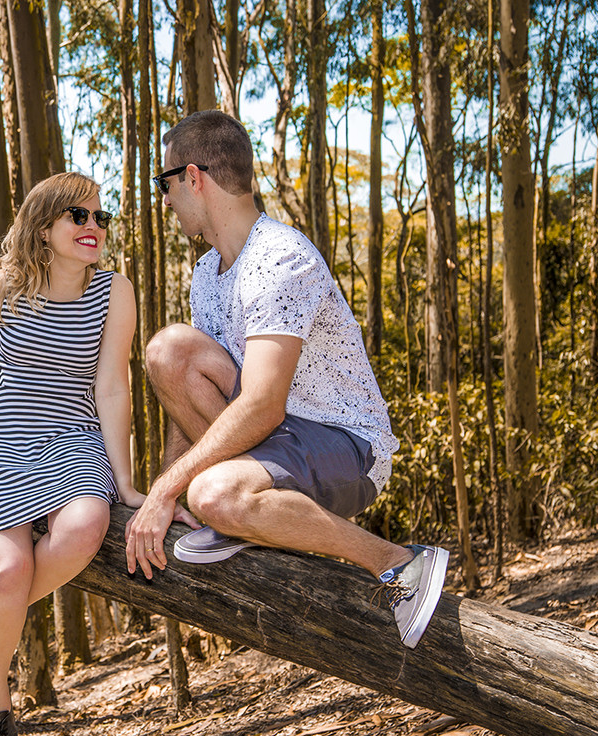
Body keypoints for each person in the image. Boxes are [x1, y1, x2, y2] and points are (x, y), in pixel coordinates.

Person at [125, 110, 448, 650]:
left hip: (348, 445)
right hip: (280, 441)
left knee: (213, 490)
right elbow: (190, 395)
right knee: (169, 352)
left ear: (194, 177)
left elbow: (262, 405)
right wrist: (171, 498)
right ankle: (233, 510)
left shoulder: (280, 257)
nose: (163, 198)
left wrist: (168, 488)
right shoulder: (207, 275)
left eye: (165, 182)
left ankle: (400, 562)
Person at [0, 172, 187, 736]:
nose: (93, 228)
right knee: (6, 571)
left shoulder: (116, 291)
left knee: (85, 528)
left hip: (72, 437)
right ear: (43, 226)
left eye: (99, 217)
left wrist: (126, 480)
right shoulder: (0, 288)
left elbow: (111, 386)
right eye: (77, 217)